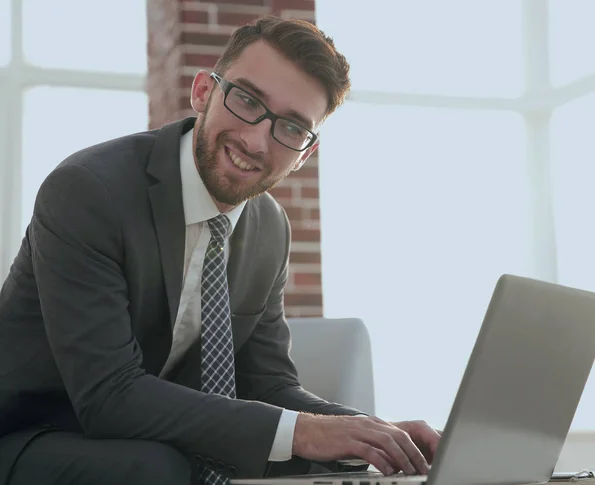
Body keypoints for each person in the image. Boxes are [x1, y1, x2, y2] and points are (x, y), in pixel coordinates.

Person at [0, 15, 440, 485]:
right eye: (248, 100)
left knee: (324, 465)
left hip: (145, 438)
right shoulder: (90, 191)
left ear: (305, 153)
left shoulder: (270, 228)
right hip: (29, 433)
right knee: (160, 470)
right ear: (204, 93)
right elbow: (110, 395)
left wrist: (369, 432)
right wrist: (305, 432)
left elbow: (269, 386)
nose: (256, 139)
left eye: (291, 128)